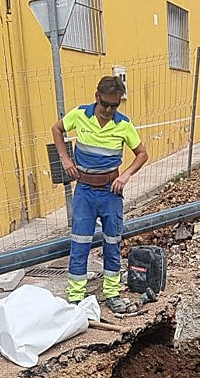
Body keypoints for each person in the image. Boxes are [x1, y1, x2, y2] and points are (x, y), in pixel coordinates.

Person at [52, 76, 149, 312]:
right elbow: (56, 129)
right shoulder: (80, 115)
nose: (107, 110)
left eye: (113, 106)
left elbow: (142, 154)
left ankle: (112, 293)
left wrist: (124, 176)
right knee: (80, 243)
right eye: (104, 103)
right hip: (84, 190)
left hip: (110, 192)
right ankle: (76, 297)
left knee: (112, 243)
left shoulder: (123, 125)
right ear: (97, 97)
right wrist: (65, 159)